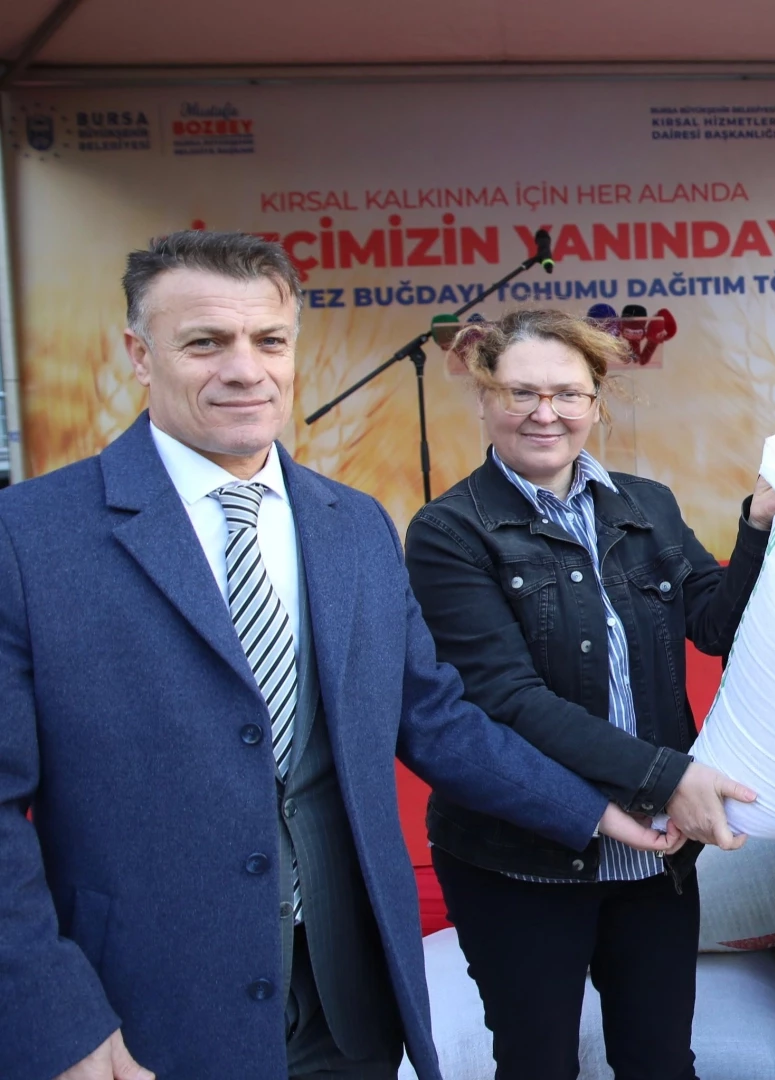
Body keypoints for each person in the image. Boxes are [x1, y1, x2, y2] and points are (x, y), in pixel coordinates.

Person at [0, 232, 675, 1080]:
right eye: (205, 342)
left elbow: (435, 719)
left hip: (347, 1004)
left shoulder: (353, 523)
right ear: (140, 355)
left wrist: (595, 810)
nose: (245, 370)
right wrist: (59, 1021)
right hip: (144, 1012)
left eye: (268, 340)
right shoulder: (29, 536)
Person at [403, 309, 775, 1080]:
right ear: (485, 399)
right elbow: (508, 698)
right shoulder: (449, 531)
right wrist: (668, 779)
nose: (545, 414)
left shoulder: (647, 505)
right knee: (538, 1065)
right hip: (518, 861)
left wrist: (755, 527)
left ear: (597, 403)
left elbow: (714, 626)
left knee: (660, 1062)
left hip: (655, 860)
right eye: (522, 393)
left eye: (567, 394)